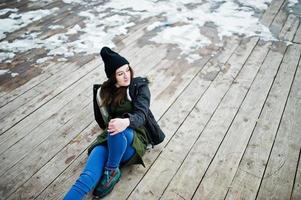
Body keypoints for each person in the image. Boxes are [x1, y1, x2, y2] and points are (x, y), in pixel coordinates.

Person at [64, 46, 164, 199]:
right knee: (86, 177)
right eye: (120, 73)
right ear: (113, 77)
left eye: (127, 70)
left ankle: (111, 171)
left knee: (116, 128)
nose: (126, 76)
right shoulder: (104, 92)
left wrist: (125, 122)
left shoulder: (138, 87)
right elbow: (103, 120)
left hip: (134, 139)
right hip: (110, 138)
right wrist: (115, 125)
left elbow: (141, 115)